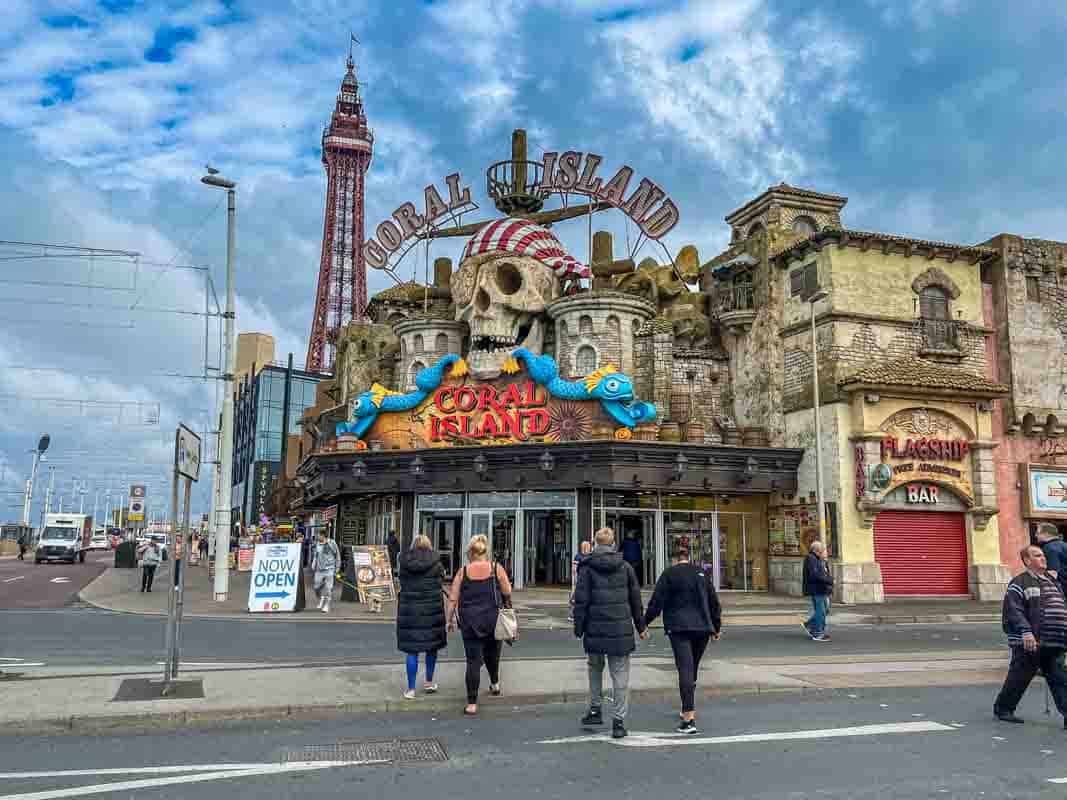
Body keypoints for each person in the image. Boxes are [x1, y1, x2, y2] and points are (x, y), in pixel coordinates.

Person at [573, 526, 646, 739]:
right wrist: (641, 627)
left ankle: (595, 710)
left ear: (595, 544)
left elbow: (581, 601)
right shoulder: (625, 567)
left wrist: (579, 627)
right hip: (620, 630)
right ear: (613, 544)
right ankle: (619, 721)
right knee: (620, 674)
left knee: (595, 668)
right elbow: (635, 600)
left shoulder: (587, 568)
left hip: (594, 629)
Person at [643, 543, 722, 734]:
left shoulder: (669, 574)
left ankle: (688, 718)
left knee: (684, 669)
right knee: (692, 668)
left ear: (674, 559)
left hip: (679, 627)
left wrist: (643, 623)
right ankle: (687, 707)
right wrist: (716, 627)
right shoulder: (702, 574)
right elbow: (714, 603)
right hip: (702, 627)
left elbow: (657, 602)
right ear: (688, 557)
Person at [994, 544, 1067, 726]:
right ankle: (1003, 709)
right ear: (1027, 561)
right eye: (1037, 555)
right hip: (1031, 641)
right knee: (1019, 677)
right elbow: (1014, 611)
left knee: (1060, 680)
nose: (1043, 558)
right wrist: (1025, 632)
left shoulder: (1052, 581)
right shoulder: (1019, 582)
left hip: (1055, 641)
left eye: (1043, 555)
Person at [447, 534, 511, 716]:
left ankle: (472, 703)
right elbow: (507, 593)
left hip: (470, 622)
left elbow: (453, 599)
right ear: (485, 551)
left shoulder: (463, 572)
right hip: (492, 618)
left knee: (473, 661)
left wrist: (449, 620)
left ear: (470, 552)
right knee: (493, 654)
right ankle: (495, 684)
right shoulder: (496, 568)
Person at [397, 535, 446, 700]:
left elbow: (402, 581)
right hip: (432, 611)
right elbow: (441, 580)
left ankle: (411, 689)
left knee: (412, 650)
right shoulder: (436, 563)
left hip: (410, 610)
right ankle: (429, 682)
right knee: (431, 648)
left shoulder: (405, 563)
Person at [802, 540, 833, 642]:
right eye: (822, 549)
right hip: (817, 589)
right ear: (817, 550)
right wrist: (830, 581)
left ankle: (810, 625)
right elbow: (816, 575)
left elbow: (824, 573)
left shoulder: (819, 559)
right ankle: (818, 633)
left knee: (825, 610)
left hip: (822, 589)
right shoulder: (811, 559)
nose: (824, 551)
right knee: (821, 611)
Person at [311, 531, 341, 614]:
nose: (317, 537)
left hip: (329, 569)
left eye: (319, 535)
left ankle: (327, 605)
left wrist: (337, 568)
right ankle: (321, 598)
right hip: (319, 569)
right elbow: (316, 555)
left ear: (323, 536)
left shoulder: (332, 543)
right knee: (316, 587)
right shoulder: (317, 544)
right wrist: (313, 564)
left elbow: (337, 555)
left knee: (328, 588)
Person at [1036, 523, 1067, 597]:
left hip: (1062, 592)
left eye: (1037, 533)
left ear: (1046, 533)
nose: (1036, 535)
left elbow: (1052, 573)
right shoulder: (1064, 545)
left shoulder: (1049, 548)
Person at [568, 540, 594, 622]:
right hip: (580, 579)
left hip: (588, 579)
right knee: (575, 597)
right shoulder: (578, 556)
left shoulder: (591, 556)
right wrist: (575, 579)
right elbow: (574, 569)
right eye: (588, 547)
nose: (589, 548)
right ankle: (573, 614)